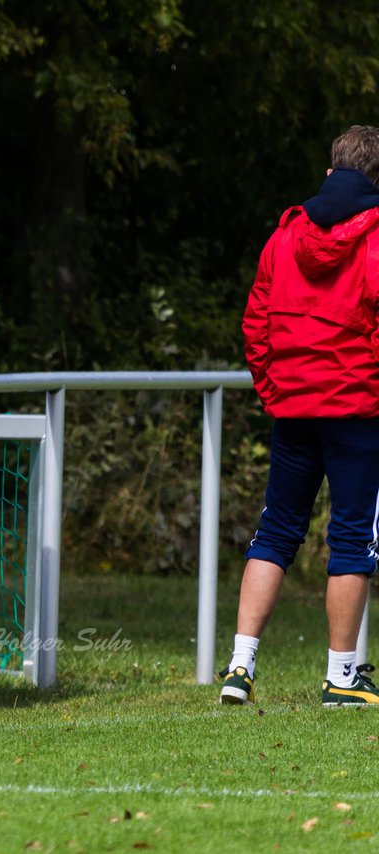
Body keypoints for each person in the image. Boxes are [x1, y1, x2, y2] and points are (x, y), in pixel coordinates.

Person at [221, 125, 379, 707]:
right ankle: (341, 675)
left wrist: (274, 389)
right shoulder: (375, 236)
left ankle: (239, 667)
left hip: (294, 407)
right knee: (353, 538)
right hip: (358, 409)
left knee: (276, 530)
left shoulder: (285, 235)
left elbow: (255, 323)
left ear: (332, 167)